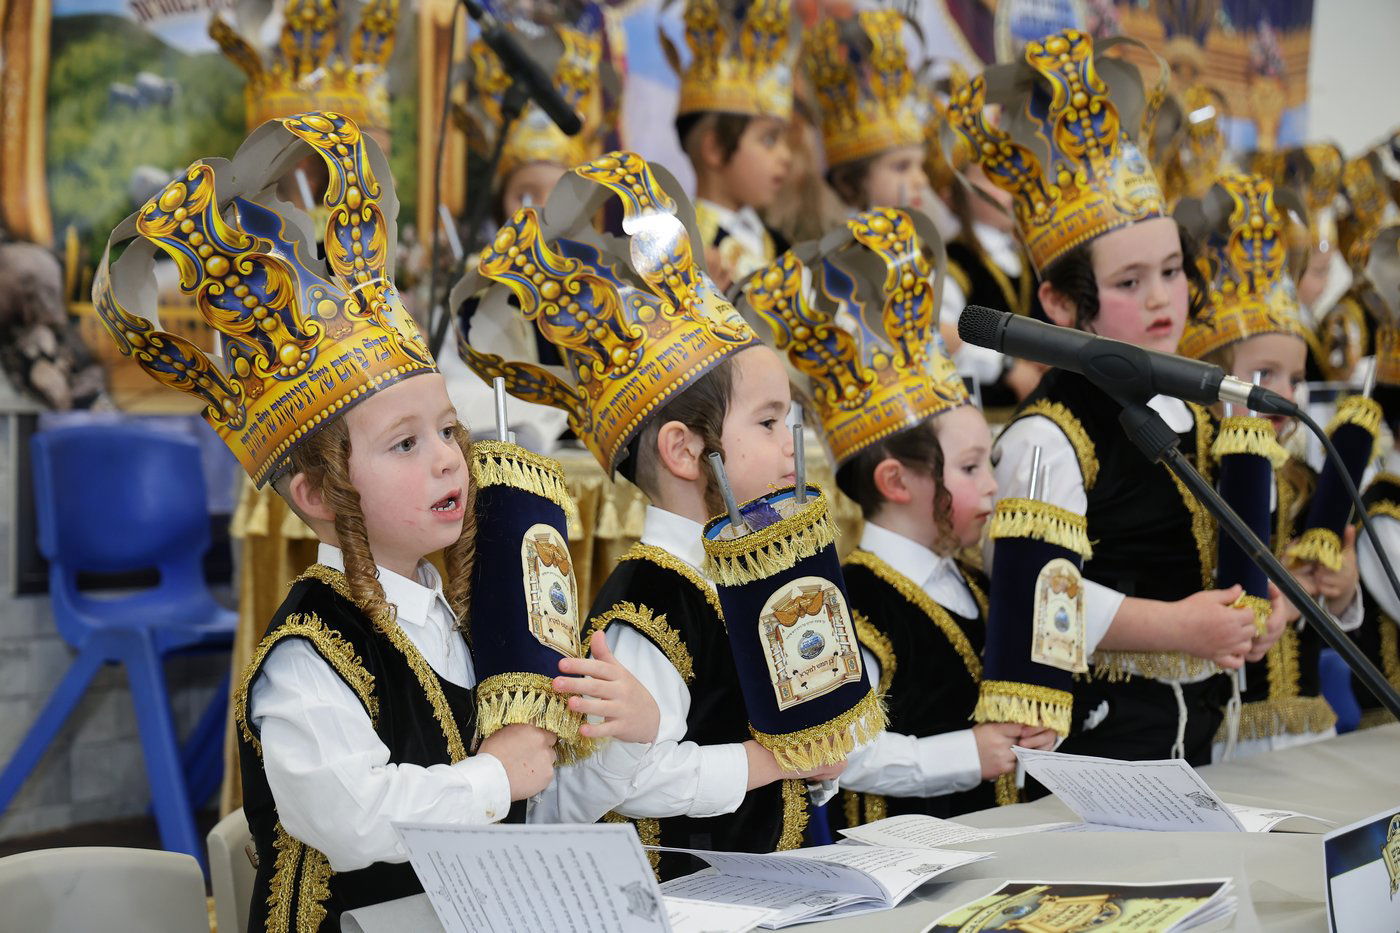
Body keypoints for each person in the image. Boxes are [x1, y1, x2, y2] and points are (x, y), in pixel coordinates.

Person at [90, 114, 657, 930]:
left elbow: (541, 799)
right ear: (319, 494)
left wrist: (625, 733)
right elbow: (351, 819)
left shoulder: (481, 607)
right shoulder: (307, 654)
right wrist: (495, 776)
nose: (446, 459)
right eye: (405, 443)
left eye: (449, 431)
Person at [457, 150, 843, 881]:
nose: (794, 447)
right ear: (683, 449)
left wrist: (817, 763)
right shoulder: (648, 605)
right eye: (768, 423)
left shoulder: (747, 574)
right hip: (693, 898)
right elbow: (620, 781)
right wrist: (767, 760)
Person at [945, 30, 1288, 766]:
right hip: (1102, 748)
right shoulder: (1050, 436)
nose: (1164, 299)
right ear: (1060, 305)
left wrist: (1262, 610)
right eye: (1131, 283)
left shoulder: (1197, 410)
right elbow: (1037, 592)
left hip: (1201, 734)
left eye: (1172, 271)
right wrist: (1179, 628)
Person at [742, 207, 1055, 827]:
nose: (993, 486)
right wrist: (969, 753)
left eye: (988, 463)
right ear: (896, 482)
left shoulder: (981, 582)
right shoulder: (851, 604)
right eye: (970, 469)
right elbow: (839, 753)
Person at [1175, 173, 1363, 759]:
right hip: (1230, 728)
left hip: (1309, 723)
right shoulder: (1193, 479)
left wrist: (1341, 587)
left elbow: (1333, 603)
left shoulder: (1304, 480)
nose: (1282, 395)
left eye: (1296, 380)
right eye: (1261, 377)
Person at [672, 0, 796, 292]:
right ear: (714, 149)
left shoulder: (780, 245)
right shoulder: (682, 247)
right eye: (769, 139)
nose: (786, 155)